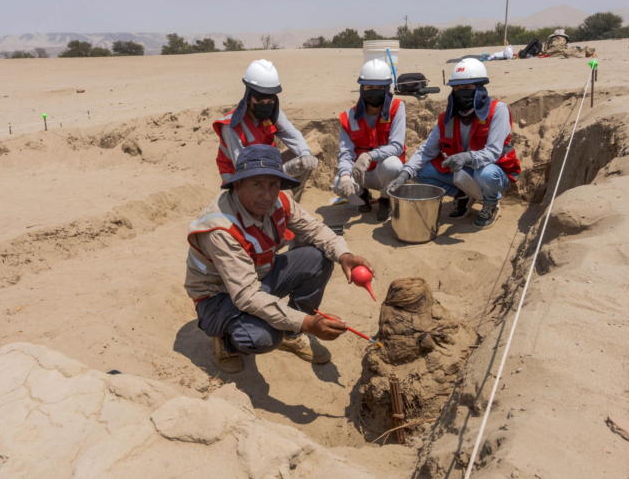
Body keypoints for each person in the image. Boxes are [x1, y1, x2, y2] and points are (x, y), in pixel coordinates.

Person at [185, 144, 375, 373]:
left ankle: (292, 333)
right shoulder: (221, 229)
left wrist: (345, 255)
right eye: (257, 184)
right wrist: (309, 323)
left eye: (273, 184)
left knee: (319, 258)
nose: (267, 194)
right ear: (238, 184)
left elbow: (314, 229)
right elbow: (245, 295)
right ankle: (225, 341)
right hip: (219, 296)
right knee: (263, 337)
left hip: (259, 275)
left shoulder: (278, 201)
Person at [386, 59, 521, 230]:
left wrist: (467, 156)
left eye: (466, 88)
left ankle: (491, 204)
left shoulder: (497, 110)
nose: (460, 93)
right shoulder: (447, 118)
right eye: (456, 88)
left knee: (486, 174)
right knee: (419, 170)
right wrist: (403, 175)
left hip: (492, 170)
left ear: (479, 88)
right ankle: (462, 195)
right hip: (463, 171)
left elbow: (493, 153)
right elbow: (426, 151)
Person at [213, 59, 318, 195]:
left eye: (270, 101)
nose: (266, 105)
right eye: (260, 101)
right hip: (241, 182)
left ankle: (287, 206)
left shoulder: (273, 112)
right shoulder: (231, 127)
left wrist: (305, 154)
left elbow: (291, 133)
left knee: (300, 157)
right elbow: (245, 170)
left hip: (268, 167)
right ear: (249, 97)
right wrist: (284, 170)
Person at [333, 59, 406, 221]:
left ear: (387, 89)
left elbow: (397, 146)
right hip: (362, 174)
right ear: (362, 88)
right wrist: (345, 176)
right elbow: (345, 154)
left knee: (393, 165)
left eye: (380, 88)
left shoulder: (397, 108)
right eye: (370, 87)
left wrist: (369, 156)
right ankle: (362, 196)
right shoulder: (349, 116)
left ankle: (386, 199)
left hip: (384, 173)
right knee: (339, 181)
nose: (374, 91)